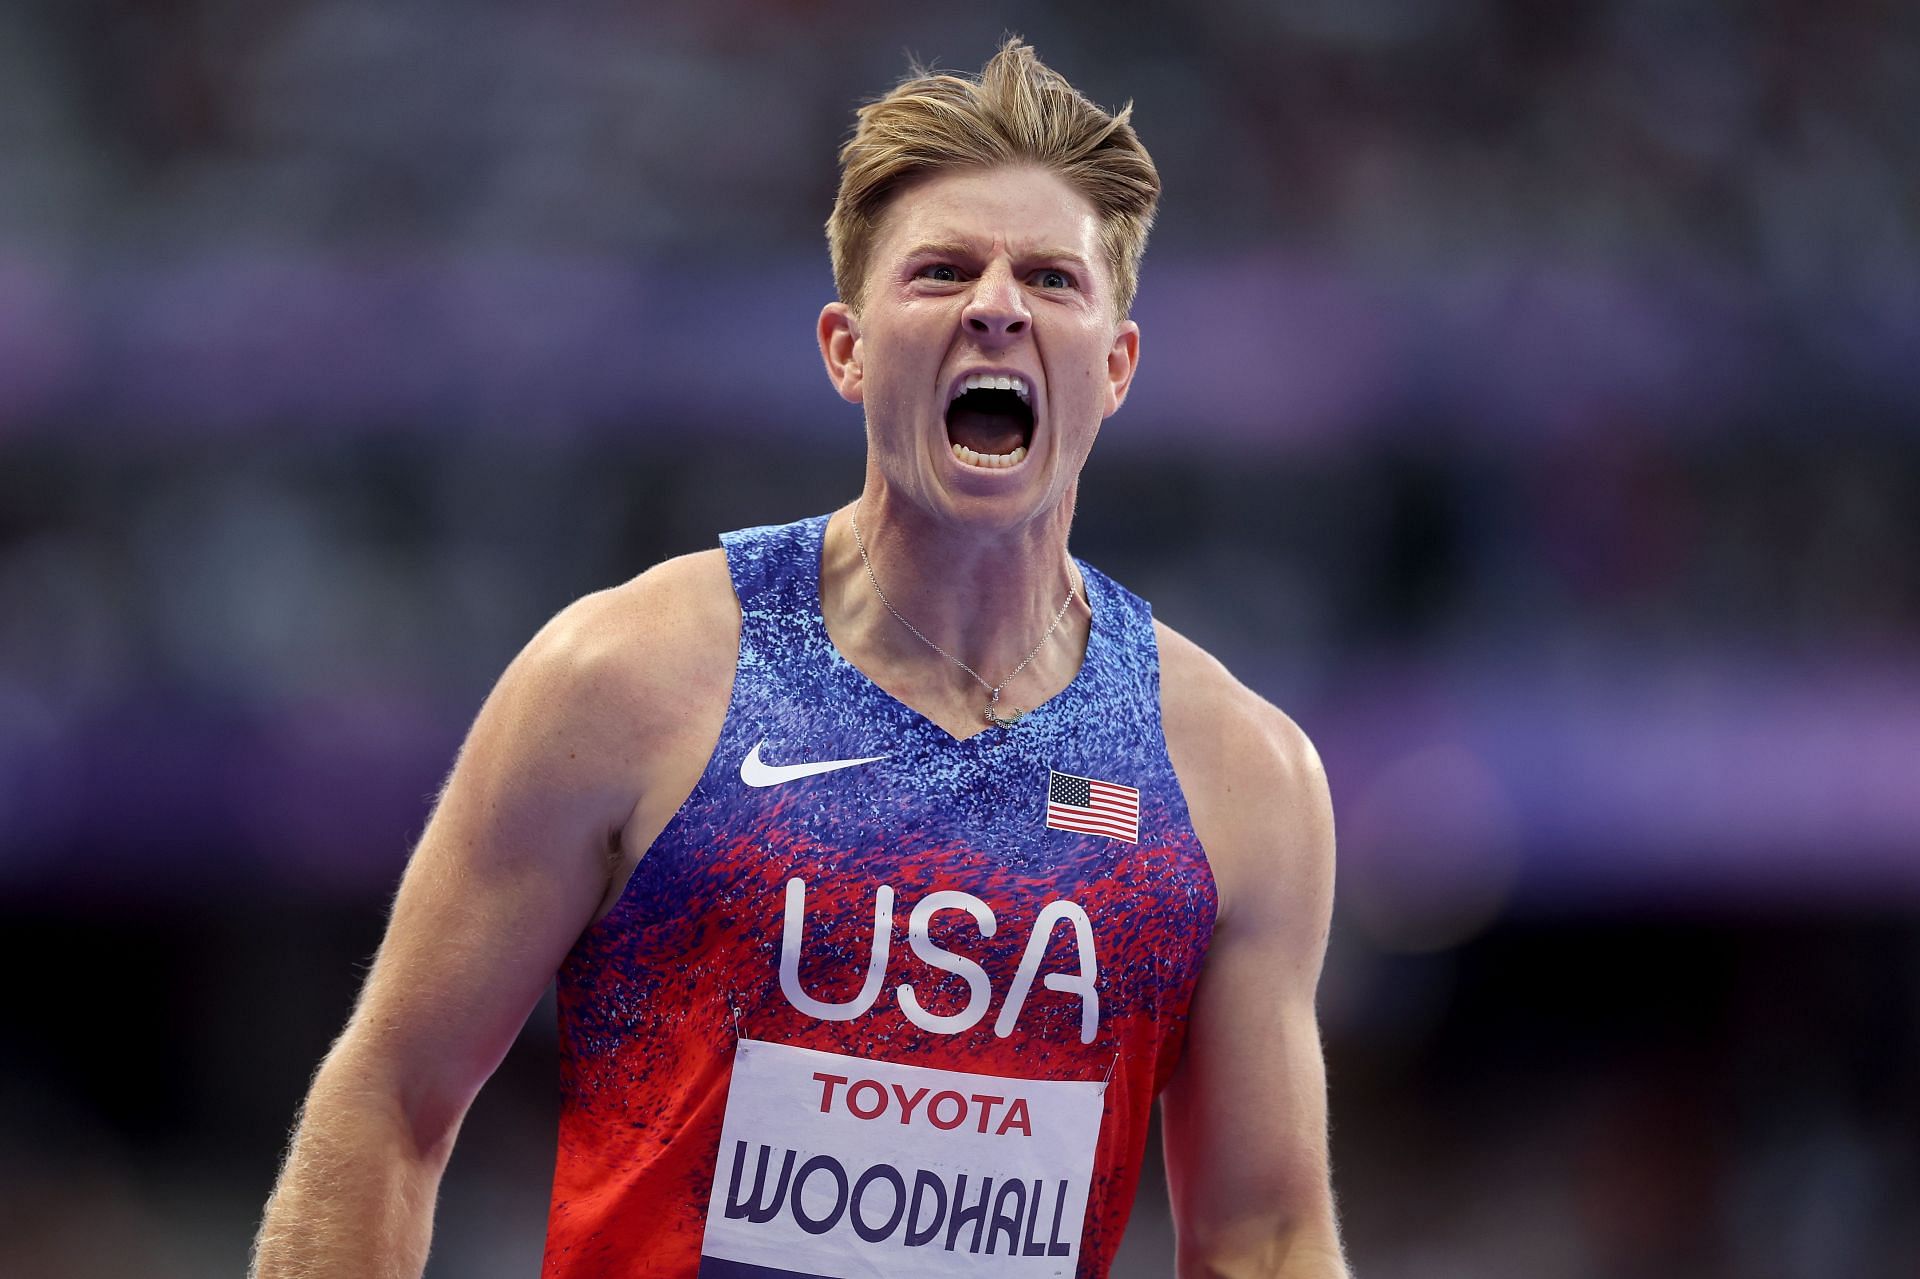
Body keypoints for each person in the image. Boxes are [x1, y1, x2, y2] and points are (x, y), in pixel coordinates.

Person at [253, 38, 1345, 1279]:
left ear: (1116, 365)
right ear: (846, 348)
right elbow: (389, 1100)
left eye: (1050, 277)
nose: (997, 304)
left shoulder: (1239, 774)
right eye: (942, 272)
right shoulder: (624, 681)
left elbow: (1264, 1236)